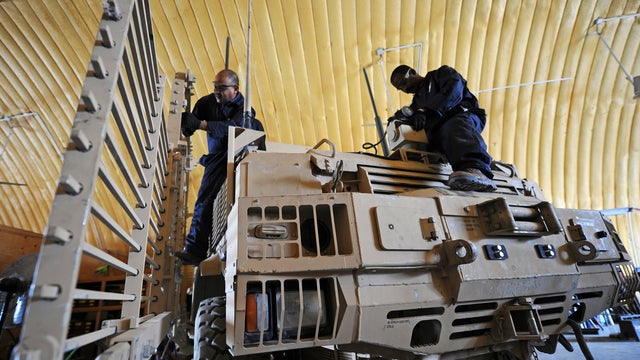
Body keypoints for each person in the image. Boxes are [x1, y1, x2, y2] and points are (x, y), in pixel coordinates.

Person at [176, 69, 266, 265]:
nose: (217, 91)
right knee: (204, 201)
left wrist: (200, 124)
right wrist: (187, 123)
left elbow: (234, 129)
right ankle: (194, 250)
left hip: (240, 154)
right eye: (215, 86)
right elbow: (191, 126)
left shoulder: (245, 110)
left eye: (222, 88)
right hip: (217, 159)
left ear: (235, 89)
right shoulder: (206, 102)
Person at [389, 64, 497, 192]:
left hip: (461, 115)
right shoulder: (416, 103)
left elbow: (454, 90)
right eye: (400, 88)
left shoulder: (440, 75)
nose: (405, 88)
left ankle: (477, 170)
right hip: (440, 132)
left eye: (404, 82)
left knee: (454, 126)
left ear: (412, 72)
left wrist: (427, 111)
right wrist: (399, 119)